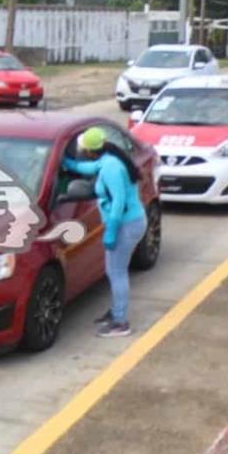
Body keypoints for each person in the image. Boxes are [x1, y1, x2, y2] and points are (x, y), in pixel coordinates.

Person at [63, 127, 147, 338]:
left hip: (125, 225)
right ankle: (116, 312)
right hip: (128, 222)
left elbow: (118, 202)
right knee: (113, 271)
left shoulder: (111, 168)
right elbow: (92, 167)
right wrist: (70, 164)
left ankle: (121, 323)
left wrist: (111, 230)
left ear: (91, 150)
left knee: (117, 273)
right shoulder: (108, 159)